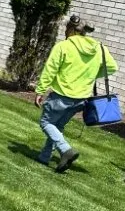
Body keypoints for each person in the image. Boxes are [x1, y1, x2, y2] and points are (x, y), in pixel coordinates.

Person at [34, 15, 118, 172]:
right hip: (81, 99)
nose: (65, 31)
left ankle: (66, 150)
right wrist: (90, 75)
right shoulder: (99, 48)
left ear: (72, 30)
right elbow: (112, 67)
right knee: (57, 126)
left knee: (46, 123)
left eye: (66, 28)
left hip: (62, 95)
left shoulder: (63, 46)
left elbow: (50, 70)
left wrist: (40, 90)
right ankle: (44, 157)